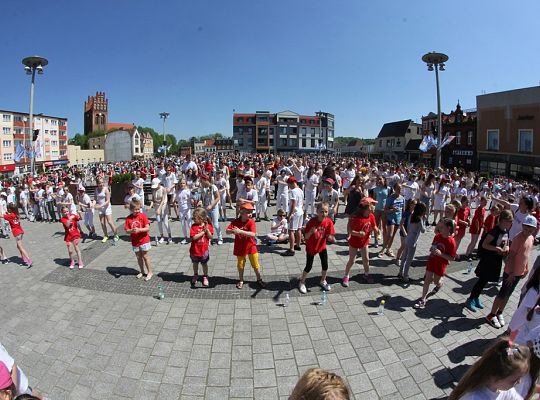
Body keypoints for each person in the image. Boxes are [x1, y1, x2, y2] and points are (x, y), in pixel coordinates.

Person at [487, 215, 537, 329]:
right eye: (526, 227)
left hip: (518, 273)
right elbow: (512, 257)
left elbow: (526, 255)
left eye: (531, 228)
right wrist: (510, 274)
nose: (528, 230)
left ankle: (499, 312)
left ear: (534, 229)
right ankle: (491, 314)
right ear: (522, 226)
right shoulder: (518, 238)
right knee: (502, 294)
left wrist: (526, 268)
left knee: (508, 295)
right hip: (511, 273)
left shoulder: (531, 238)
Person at [448, 338, 530, 400]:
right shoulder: (475, 397)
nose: (519, 382)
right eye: (515, 380)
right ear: (494, 376)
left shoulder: (504, 389)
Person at [465, 210, 513, 313]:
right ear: (503, 220)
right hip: (488, 260)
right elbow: (484, 245)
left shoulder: (506, 231)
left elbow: (507, 241)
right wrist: (496, 249)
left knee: (485, 281)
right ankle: (470, 299)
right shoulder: (494, 231)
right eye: (510, 221)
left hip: (496, 260)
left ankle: (476, 298)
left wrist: (507, 247)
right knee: (481, 280)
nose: (511, 223)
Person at [414, 218, 456, 309]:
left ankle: (440, 283)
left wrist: (441, 254)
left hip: (440, 264)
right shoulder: (438, 236)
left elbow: (452, 258)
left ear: (448, 228)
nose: (439, 228)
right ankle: (423, 299)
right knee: (427, 280)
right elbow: (433, 246)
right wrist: (432, 249)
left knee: (436, 281)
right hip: (432, 260)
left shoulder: (451, 242)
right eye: (439, 226)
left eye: (442, 227)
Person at [297, 202, 336, 294]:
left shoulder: (328, 221)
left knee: (325, 265)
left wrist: (331, 238)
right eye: (321, 211)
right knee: (309, 266)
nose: (324, 214)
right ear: (317, 212)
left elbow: (329, 235)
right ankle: (302, 282)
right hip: (311, 247)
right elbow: (306, 237)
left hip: (321, 246)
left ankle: (323, 280)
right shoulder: (312, 222)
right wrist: (310, 232)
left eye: (326, 212)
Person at [225, 203, 265, 289]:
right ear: (241, 213)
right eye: (248, 212)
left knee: (255, 264)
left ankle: (259, 279)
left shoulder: (251, 222)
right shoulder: (236, 221)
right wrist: (232, 231)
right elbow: (227, 231)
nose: (250, 214)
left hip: (251, 246)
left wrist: (240, 232)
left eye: (251, 212)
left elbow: (253, 234)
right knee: (240, 265)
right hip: (240, 247)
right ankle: (241, 280)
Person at [343, 197, 379, 286]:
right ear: (367, 207)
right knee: (352, 260)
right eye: (372, 204)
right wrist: (359, 233)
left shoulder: (371, 216)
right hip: (354, 242)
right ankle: (346, 276)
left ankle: (366, 274)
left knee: (366, 259)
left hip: (364, 242)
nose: (374, 206)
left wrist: (377, 231)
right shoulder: (356, 218)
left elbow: (374, 226)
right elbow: (350, 231)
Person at [124, 199, 153, 281]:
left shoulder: (142, 216)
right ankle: (142, 271)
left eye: (138, 209)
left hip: (144, 240)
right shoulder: (128, 218)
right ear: (131, 209)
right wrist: (131, 231)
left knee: (145, 256)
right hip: (135, 241)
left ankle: (150, 272)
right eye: (135, 209)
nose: (137, 211)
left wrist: (140, 230)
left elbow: (147, 228)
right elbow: (126, 230)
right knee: (138, 257)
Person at [398, 201, 427, 283]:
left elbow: (407, 226)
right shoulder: (419, 219)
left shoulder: (411, 215)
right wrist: (424, 221)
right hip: (413, 241)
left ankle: (400, 272)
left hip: (408, 237)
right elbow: (423, 230)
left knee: (404, 257)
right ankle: (405, 276)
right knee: (409, 260)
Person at [0, 204, 32, 268]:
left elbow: (1, 216)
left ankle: (29, 260)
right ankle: (24, 259)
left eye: (8, 208)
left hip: (17, 233)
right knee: (18, 247)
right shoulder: (16, 214)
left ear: (10, 209)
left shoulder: (10, 215)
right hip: (20, 231)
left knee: (20, 247)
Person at [189, 207, 213, 287]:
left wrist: (207, 231)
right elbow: (193, 238)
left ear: (201, 218)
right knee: (195, 263)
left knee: (204, 264)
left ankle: (205, 276)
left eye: (194, 218)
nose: (193, 219)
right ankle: (195, 275)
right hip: (194, 250)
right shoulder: (193, 226)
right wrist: (203, 232)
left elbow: (210, 237)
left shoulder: (208, 225)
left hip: (204, 250)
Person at [380, 183, 404, 258]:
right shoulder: (390, 198)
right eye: (398, 189)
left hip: (398, 218)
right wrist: (392, 210)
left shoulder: (402, 198)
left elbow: (403, 210)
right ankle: (383, 249)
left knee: (393, 235)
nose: (399, 190)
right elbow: (385, 210)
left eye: (400, 189)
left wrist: (403, 220)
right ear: (394, 189)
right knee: (389, 235)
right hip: (391, 218)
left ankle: (388, 249)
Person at [283, 176, 304, 257]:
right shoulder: (300, 190)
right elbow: (302, 202)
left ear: (292, 183)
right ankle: (298, 245)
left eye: (289, 184)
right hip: (300, 211)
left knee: (291, 230)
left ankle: (291, 249)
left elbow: (293, 204)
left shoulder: (293, 191)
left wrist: (290, 214)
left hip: (295, 212)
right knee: (299, 229)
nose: (289, 186)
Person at [94, 177, 119, 243]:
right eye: (99, 183)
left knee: (110, 222)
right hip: (100, 208)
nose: (101, 184)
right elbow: (95, 199)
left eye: (102, 182)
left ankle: (116, 235)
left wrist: (100, 206)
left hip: (107, 207)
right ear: (97, 183)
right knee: (102, 223)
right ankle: (105, 236)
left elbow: (108, 201)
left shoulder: (106, 189)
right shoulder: (96, 190)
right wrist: (93, 204)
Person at [200, 175, 223, 245]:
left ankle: (220, 238)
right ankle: (209, 238)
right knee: (208, 224)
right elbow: (201, 197)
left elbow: (218, 198)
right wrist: (200, 201)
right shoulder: (202, 188)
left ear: (206, 180)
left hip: (213, 208)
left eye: (202, 181)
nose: (201, 182)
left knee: (215, 224)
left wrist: (211, 205)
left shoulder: (213, 187)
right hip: (206, 208)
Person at [148, 177, 172, 245]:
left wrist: (159, 209)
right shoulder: (153, 190)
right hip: (156, 206)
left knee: (165, 222)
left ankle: (169, 236)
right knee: (159, 222)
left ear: (159, 183)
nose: (155, 187)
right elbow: (153, 199)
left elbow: (163, 200)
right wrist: (150, 206)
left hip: (163, 206)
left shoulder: (163, 189)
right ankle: (162, 236)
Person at [465, 196, 488, 261]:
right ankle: (467, 254)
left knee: (475, 241)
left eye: (486, 202)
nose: (485, 203)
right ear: (481, 202)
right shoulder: (478, 209)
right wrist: (478, 227)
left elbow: (482, 218)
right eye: (484, 202)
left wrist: (482, 224)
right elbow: (476, 220)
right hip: (475, 227)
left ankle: (470, 253)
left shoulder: (483, 209)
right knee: (473, 241)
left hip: (479, 227)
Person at [176, 179, 192, 245]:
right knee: (183, 224)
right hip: (181, 210)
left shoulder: (188, 191)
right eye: (181, 183)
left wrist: (191, 200)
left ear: (186, 184)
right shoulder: (178, 192)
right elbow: (176, 201)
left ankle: (192, 237)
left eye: (183, 183)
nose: (182, 185)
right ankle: (185, 237)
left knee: (189, 223)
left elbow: (192, 199)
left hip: (187, 209)